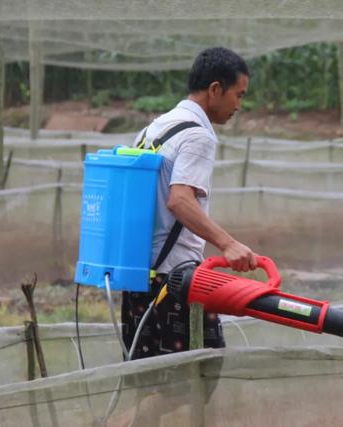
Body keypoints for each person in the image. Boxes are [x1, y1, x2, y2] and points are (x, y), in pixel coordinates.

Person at [122, 47, 257, 360]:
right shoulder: (198, 136)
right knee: (201, 371)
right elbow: (180, 200)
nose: (239, 105)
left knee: (151, 377)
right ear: (215, 90)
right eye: (238, 95)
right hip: (175, 280)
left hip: (142, 274)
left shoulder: (155, 128)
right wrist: (228, 244)